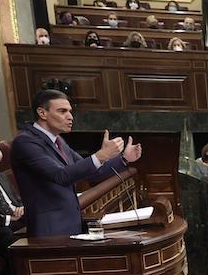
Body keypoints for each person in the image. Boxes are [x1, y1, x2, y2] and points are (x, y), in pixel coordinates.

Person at [11, 90, 140, 236]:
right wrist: (101, 155)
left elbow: (94, 173)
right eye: (62, 111)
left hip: (70, 223)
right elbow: (60, 176)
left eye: (70, 111)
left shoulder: (58, 140)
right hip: (49, 229)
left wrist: (124, 158)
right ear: (42, 113)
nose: (70, 117)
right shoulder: (26, 141)